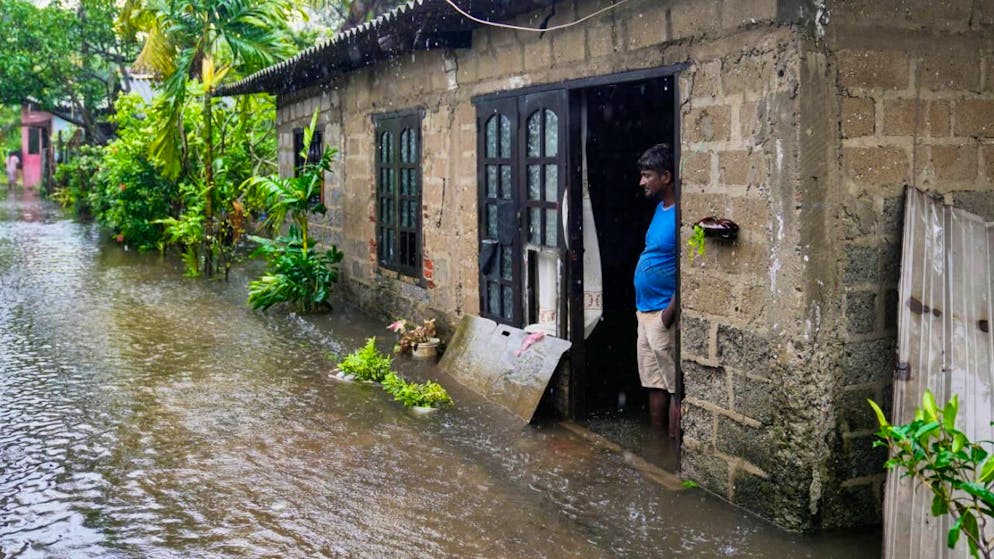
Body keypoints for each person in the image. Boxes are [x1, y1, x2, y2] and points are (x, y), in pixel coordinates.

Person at [634, 143, 679, 438]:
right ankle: (657, 445)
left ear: (666, 177)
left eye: (647, 175)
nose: (642, 182)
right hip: (645, 311)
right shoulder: (660, 210)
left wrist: (669, 313)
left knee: (675, 385)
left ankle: (677, 452)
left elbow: (690, 268)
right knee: (653, 381)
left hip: (663, 311)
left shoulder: (681, 214)